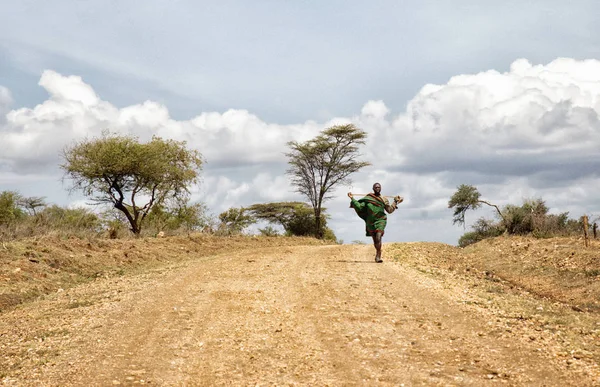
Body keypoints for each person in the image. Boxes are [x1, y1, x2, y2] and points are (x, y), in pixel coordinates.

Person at [348, 183, 402, 263]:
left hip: (381, 220)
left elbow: (389, 210)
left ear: (381, 189)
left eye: (379, 187)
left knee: (378, 236)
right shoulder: (368, 198)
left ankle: (378, 255)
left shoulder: (383, 199)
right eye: (376, 187)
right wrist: (352, 198)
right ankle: (378, 251)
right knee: (375, 241)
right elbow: (359, 206)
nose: (377, 188)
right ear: (373, 188)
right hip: (371, 222)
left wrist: (395, 201)